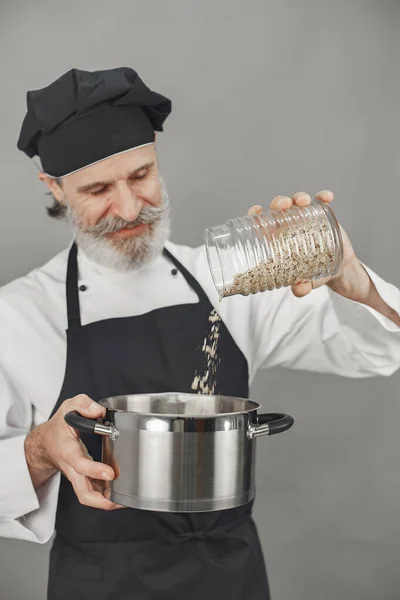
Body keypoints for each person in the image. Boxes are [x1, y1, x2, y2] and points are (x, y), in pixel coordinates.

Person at [1, 66, 399, 600]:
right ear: (55, 188)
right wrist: (39, 452)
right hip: (99, 583)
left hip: (230, 575)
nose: (128, 207)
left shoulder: (228, 278)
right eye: (97, 189)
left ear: (157, 156)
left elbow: (379, 350)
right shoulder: (18, 314)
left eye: (140, 175)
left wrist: (358, 286)